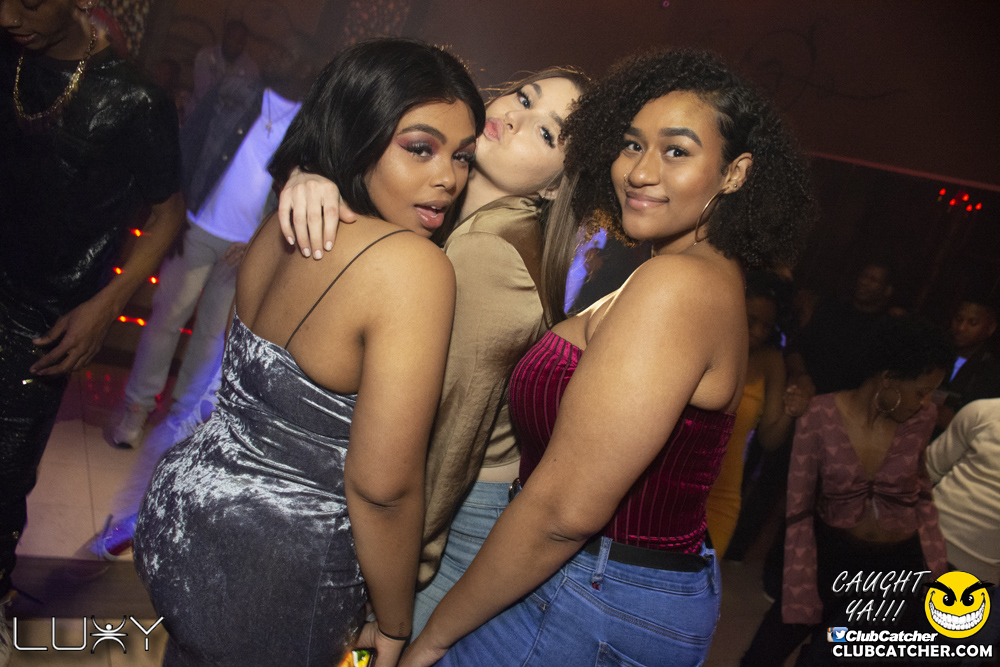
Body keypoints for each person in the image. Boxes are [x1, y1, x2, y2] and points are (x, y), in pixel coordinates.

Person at [399, 48, 815, 667]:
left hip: (591, 593)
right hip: (607, 583)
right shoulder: (688, 273)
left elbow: (564, 512)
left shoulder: (677, 287)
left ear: (735, 173)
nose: (640, 172)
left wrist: (433, 638)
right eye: (631, 145)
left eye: (676, 151)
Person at [133, 38, 483, 667]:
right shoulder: (412, 267)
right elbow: (381, 489)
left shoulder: (281, 224)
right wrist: (395, 622)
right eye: (420, 148)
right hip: (276, 563)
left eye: (462, 156)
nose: (447, 178)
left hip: (185, 512)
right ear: (358, 133)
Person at [277, 66, 588, 634]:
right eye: (524, 98)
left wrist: (392, 590)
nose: (515, 118)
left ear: (552, 188)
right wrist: (311, 175)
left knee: (363, 656)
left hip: (447, 523)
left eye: (547, 133)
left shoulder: (487, 254)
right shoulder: (449, 207)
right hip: (424, 501)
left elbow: (446, 445)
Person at [0, 0, 183, 656]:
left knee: (5, 472)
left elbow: (168, 213)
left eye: (29, 2)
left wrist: (106, 306)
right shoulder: (9, 55)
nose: (10, 15)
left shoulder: (136, 101)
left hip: (41, 316)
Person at [105, 36, 311, 450]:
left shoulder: (308, 126)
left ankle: (181, 421)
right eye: (276, 49)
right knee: (166, 319)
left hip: (244, 249)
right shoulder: (234, 90)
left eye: (290, 52)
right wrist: (176, 211)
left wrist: (260, 242)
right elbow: (190, 143)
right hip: (197, 226)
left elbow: (297, 193)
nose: (279, 55)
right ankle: (136, 407)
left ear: (307, 67)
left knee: (212, 338)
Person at [742, 315, 953, 666]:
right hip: (829, 554)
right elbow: (798, 507)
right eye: (921, 391)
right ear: (889, 378)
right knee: (762, 656)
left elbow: (921, 490)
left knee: (832, 659)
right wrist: (799, 580)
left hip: (893, 569)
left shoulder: (921, 419)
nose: (926, 402)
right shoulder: (820, 414)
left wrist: (937, 567)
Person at [706, 271, 812, 556]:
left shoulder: (770, 361)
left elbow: (769, 439)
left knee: (703, 578)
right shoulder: (705, 343)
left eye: (766, 326)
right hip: (673, 483)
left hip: (723, 495)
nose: (758, 332)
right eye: (751, 320)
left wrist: (792, 410)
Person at [936, 295, 1000, 431]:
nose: (961, 328)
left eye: (973, 323)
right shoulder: (936, 354)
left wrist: (954, 422)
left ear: (990, 328)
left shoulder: (992, 372)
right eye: (959, 320)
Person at [189, 19, 257, 110]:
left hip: (230, 117)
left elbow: (249, 99)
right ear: (224, 36)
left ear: (244, 44)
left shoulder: (250, 68)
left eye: (240, 42)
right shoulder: (205, 56)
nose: (234, 44)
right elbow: (203, 93)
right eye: (231, 38)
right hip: (200, 111)